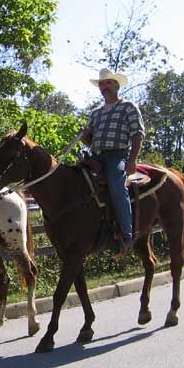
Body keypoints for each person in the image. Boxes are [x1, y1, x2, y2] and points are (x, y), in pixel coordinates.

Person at [80, 68, 145, 253]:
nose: (104, 86)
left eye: (108, 83)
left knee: (117, 186)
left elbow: (138, 134)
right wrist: (84, 135)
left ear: (116, 85)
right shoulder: (95, 113)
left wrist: (132, 160)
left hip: (117, 155)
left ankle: (126, 235)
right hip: (95, 156)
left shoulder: (128, 107)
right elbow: (89, 140)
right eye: (102, 83)